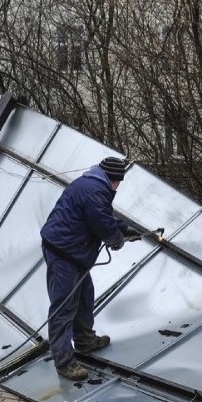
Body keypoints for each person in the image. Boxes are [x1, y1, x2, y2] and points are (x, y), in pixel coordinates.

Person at [40, 157, 132, 381]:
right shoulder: (96, 191)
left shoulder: (90, 183)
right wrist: (117, 239)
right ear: (114, 179)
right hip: (65, 253)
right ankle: (64, 362)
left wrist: (125, 229)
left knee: (84, 296)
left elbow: (99, 216)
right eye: (119, 182)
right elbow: (102, 223)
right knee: (64, 306)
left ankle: (84, 340)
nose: (118, 186)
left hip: (72, 251)